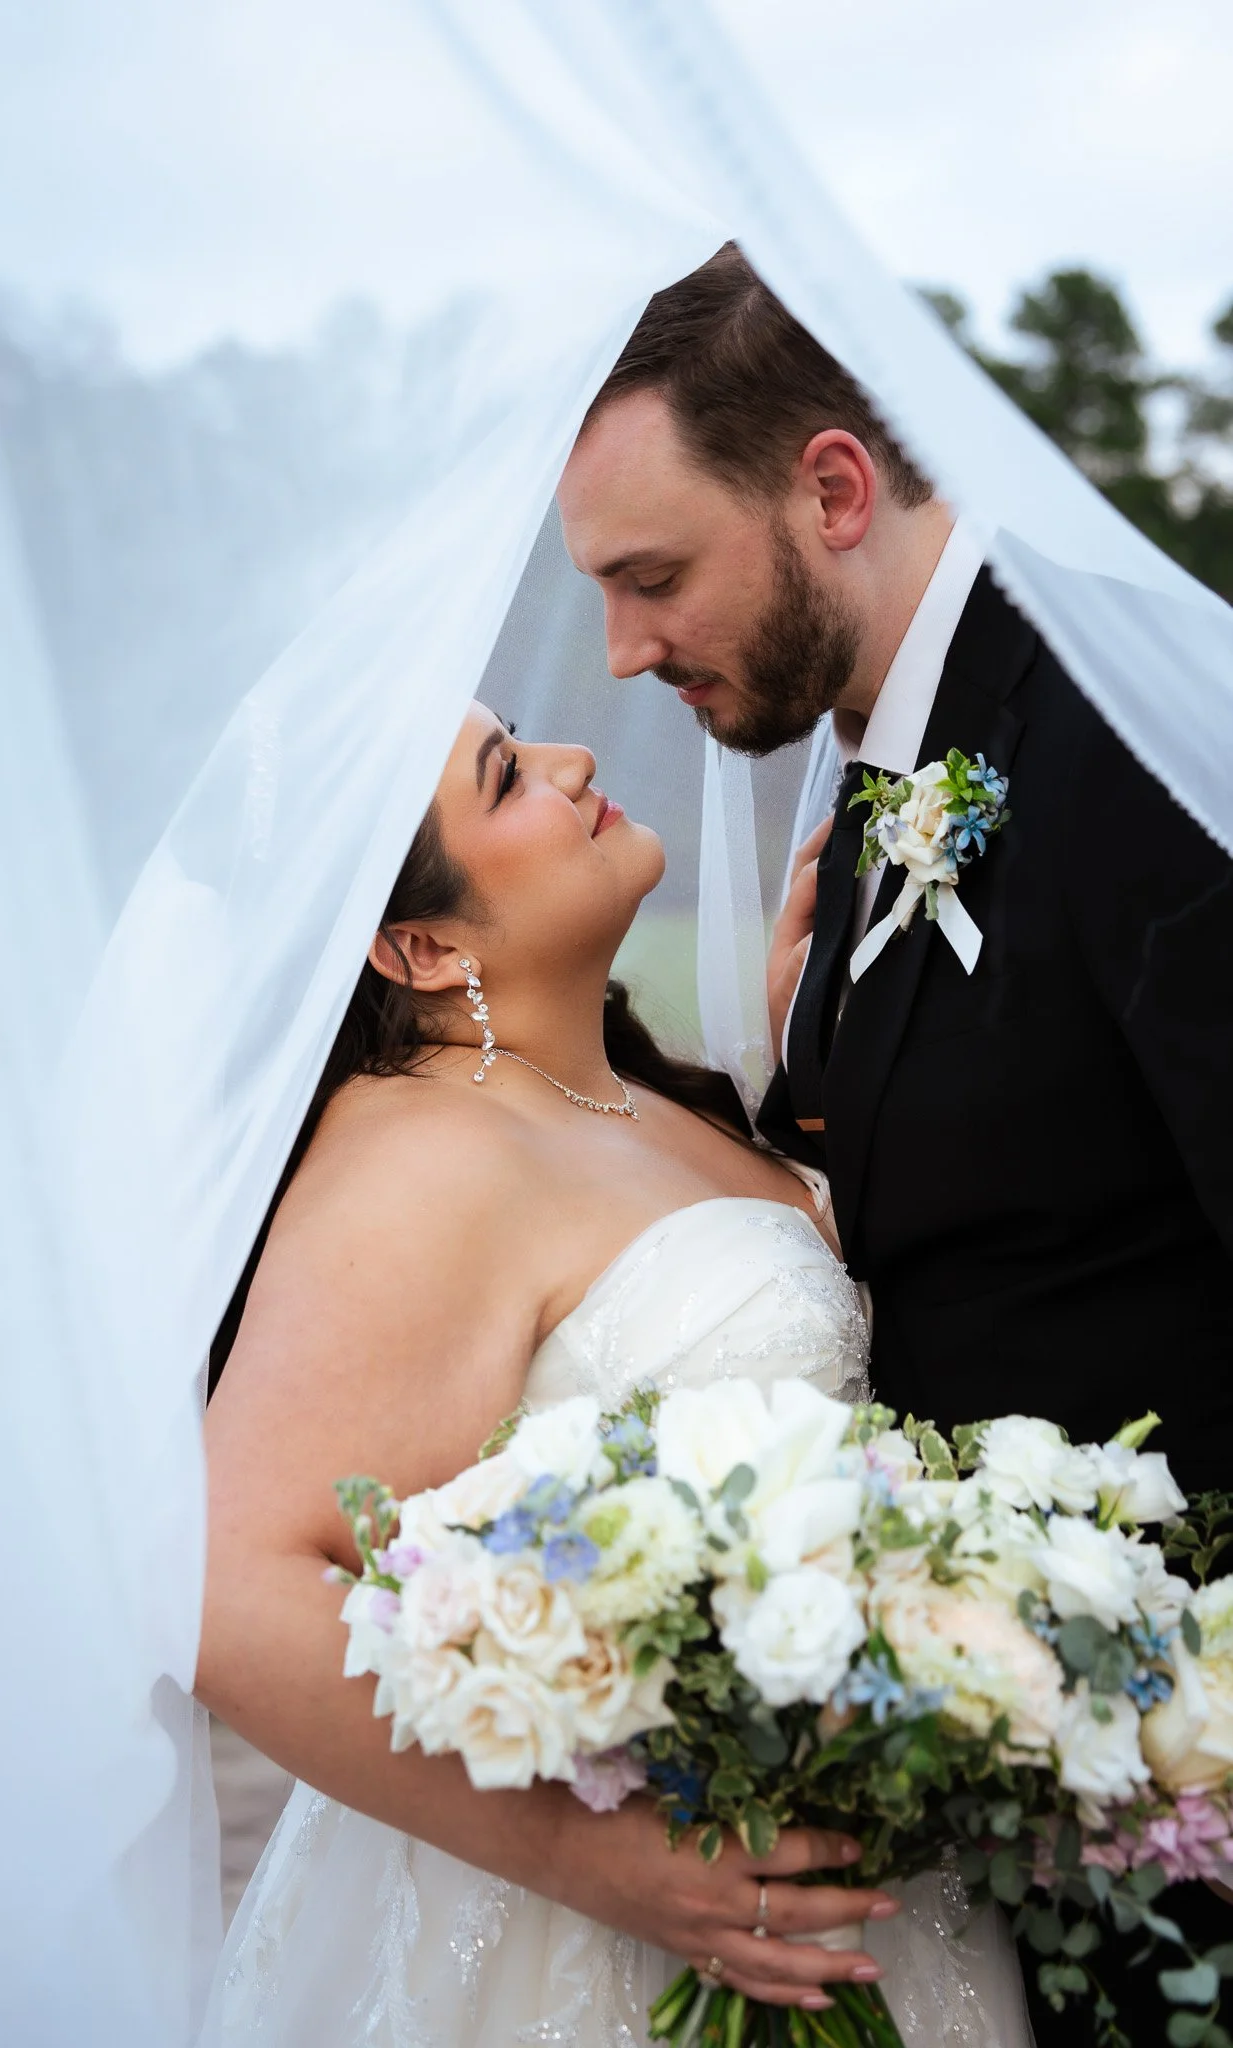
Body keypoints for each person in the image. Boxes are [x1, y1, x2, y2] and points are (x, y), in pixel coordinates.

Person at [556, 240, 1233, 2047]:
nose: (624, 654)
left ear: (833, 489)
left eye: (653, 578)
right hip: (1042, 1828)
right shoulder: (887, 782)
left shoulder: (1126, 733)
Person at [195, 701, 1034, 2045]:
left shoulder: (654, 1095)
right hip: (598, 1936)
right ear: (418, 945)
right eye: (508, 777)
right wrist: (608, 1863)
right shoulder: (419, 1153)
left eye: (525, 741)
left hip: (866, 1882)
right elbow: (232, 1596)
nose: (577, 761)